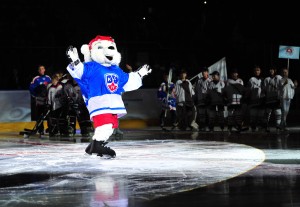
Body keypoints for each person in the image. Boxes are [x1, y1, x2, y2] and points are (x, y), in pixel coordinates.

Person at [66, 35, 152, 158]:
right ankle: (97, 145)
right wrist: (75, 59)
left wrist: (140, 73)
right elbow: (81, 71)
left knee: (110, 126)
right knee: (105, 126)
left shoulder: (116, 69)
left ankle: (93, 146)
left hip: (113, 103)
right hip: (99, 101)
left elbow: (128, 81)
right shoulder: (93, 66)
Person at [29, 65, 51, 136]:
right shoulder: (36, 79)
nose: (42, 70)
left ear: (44, 70)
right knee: (39, 115)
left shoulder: (48, 78)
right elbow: (31, 88)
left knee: (48, 115)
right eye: (40, 69)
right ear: (38, 71)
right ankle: (40, 129)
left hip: (47, 100)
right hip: (39, 100)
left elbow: (51, 86)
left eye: (43, 69)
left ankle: (50, 129)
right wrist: (35, 95)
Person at [245, 65, 266, 132]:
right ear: (254, 71)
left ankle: (260, 129)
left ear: (260, 71)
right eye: (256, 70)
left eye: (258, 70)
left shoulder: (263, 80)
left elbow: (265, 90)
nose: (257, 71)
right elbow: (248, 90)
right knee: (253, 116)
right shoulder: (251, 79)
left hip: (261, 100)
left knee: (261, 116)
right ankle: (253, 129)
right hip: (253, 100)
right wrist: (247, 98)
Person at [263, 66, 282, 132]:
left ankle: (278, 126)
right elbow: (265, 90)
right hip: (269, 99)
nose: (271, 70)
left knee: (278, 112)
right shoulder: (266, 79)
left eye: (272, 69)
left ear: (275, 70)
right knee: (268, 113)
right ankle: (266, 126)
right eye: (270, 69)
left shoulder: (279, 77)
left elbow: (283, 84)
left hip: (277, 99)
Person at [193, 67, 211, 131]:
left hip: (208, 98)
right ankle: (201, 125)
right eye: (203, 72)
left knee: (208, 113)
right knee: (201, 113)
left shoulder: (210, 80)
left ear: (207, 73)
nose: (204, 73)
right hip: (201, 98)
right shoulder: (199, 80)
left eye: (205, 72)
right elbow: (196, 89)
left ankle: (208, 126)